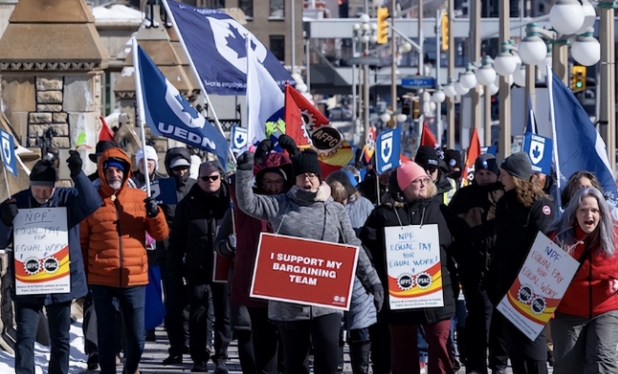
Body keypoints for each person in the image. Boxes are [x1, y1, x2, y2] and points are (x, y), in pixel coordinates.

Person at [235, 149, 383, 374]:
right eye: (303, 175)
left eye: (312, 175)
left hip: (326, 299)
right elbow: (248, 204)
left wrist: (373, 281)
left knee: (328, 353)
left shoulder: (334, 209)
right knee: (295, 361)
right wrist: (244, 173)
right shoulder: (280, 205)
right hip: (290, 301)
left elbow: (353, 245)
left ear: (319, 177)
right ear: (295, 179)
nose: (308, 179)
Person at [0, 153, 101, 374]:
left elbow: (93, 203)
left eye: (48, 189)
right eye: (38, 189)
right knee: (25, 338)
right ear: (31, 185)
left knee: (61, 340)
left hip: (60, 283)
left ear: (55, 187)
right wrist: (6, 221)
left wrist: (78, 174)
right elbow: (0, 239)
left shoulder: (68, 199)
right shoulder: (17, 202)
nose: (43, 194)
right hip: (29, 284)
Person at [360, 161, 456, 374]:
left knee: (440, 344)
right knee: (402, 351)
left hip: (438, 292)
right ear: (402, 185)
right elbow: (366, 249)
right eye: (416, 181)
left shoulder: (440, 210)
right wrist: (375, 280)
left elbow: (458, 245)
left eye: (424, 179)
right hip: (399, 294)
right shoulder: (382, 214)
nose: (423, 184)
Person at [80, 147, 169, 374]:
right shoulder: (92, 201)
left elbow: (160, 234)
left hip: (134, 278)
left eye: (119, 171)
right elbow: (82, 241)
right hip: (102, 277)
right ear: (102, 172)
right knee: (107, 335)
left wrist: (155, 214)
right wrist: (83, 276)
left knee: (137, 337)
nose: (114, 175)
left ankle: (131, 368)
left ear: (126, 172)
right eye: (109, 171)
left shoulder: (140, 198)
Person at [215, 136, 296, 374]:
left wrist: (296, 156)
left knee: (289, 341)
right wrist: (254, 162)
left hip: (287, 282)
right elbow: (238, 189)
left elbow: (308, 181)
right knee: (262, 341)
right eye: (267, 180)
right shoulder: (247, 205)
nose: (272, 186)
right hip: (254, 281)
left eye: (277, 181)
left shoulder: (293, 202)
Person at [488, 152, 555, 374]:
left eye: (504, 174)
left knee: (534, 353)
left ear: (516, 176)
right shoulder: (504, 203)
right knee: (515, 351)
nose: (500, 178)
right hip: (506, 287)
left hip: (530, 289)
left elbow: (542, 248)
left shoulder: (541, 205)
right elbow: (500, 244)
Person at [443, 154, 508, 374]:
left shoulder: (505, 196)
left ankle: (498, 364)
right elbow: (451, 230)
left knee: (499, 322)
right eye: (480, 173)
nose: (485, 177)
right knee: (478, 319)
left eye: (489, 173)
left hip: (501, 272)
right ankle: (476, 366)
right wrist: (462, 256)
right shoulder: (464, 196)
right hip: (473, 271)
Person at [168, 161, 233, 373]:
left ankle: (221, 356)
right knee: (199, 313)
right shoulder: (187, 204)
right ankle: (199, 358)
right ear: (199, 178)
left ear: (220, 177)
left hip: (225, 266)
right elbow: (176, 239)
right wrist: (175, 266)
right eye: (205, 178)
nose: (210, 182)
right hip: (198, 267)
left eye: (214, 177)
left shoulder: (230, 202)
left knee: (224, 313)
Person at [547, 187, 618, 374]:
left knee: (603, 363)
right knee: (567, 368)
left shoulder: (615, 235)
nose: (589, 215)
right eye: (583, 210)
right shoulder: (558, 239)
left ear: (602, 213)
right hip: (568, 314)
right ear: (574, 213)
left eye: (594, 210)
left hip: (605, 309)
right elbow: (541, 279)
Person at [325, 172, 376, 374]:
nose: (341, 202)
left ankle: (360, 369)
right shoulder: (322, 207)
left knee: (360, 326)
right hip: (331, 274)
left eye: (343, 197)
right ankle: (334, 367)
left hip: (358, 277)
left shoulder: (364, 206)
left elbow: (372, 239)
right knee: (332, 327)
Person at [159, 147, 196, 364]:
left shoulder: (195, 187)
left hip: (193, 253)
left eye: (184, 168)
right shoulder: (164, 188)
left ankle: (194, 344)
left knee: (194, 302)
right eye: (176, 169)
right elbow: (160, 222)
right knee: (173, 304)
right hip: (169, 253)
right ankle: (176, 348)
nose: (180, 173)